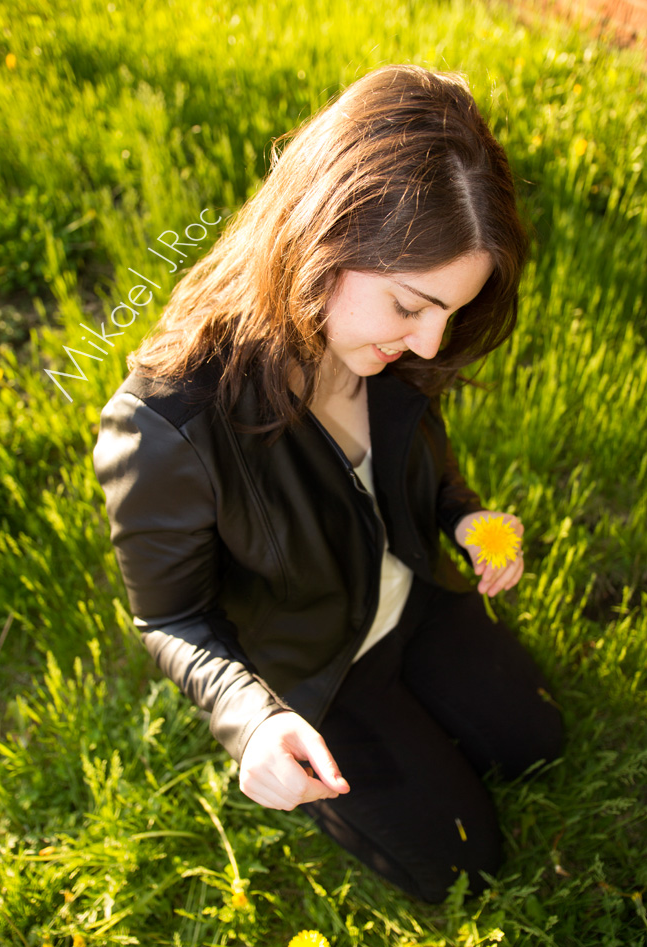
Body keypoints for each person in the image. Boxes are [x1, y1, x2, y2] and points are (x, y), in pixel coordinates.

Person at [93, 63, 564, 904]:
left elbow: (418, 466)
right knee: (461, 863)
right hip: (317, 665)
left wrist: (461, 518)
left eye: (450, 313)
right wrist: (254, 725)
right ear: (323, 243)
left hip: (416, 597)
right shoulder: (165, 424)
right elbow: (169, 615)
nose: (429, 346)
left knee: (536, 741)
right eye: (410, 307)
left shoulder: (379, 347)